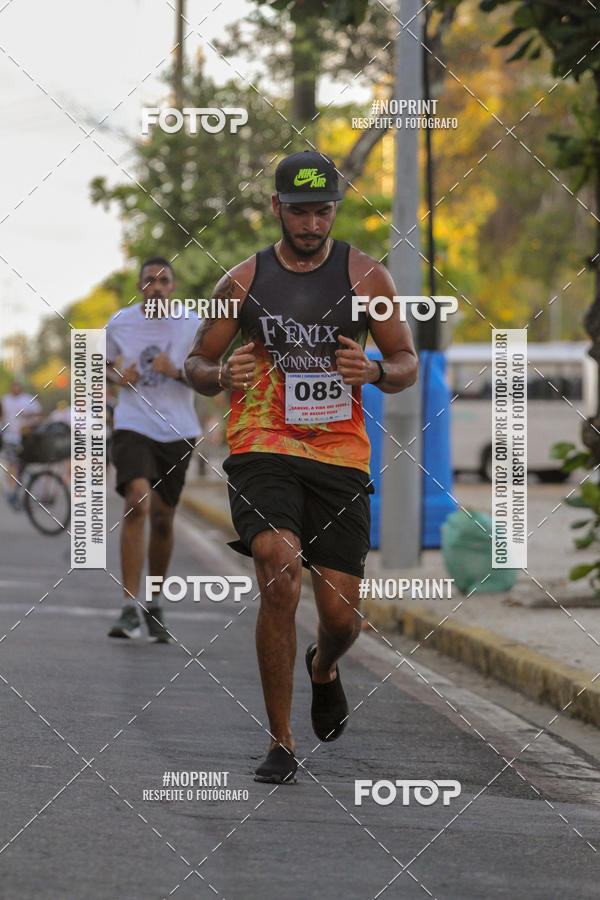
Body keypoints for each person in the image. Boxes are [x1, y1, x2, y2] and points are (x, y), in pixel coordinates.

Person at [184, 150, 418, 783]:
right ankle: (281, 742)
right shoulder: (241, 283)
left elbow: (406, 363)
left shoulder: (367, 278)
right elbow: (196, 363)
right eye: (299, 212)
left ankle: (324, 664)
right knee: (278, 563)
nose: (312, 224)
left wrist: (373, 370)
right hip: (263, 443)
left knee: (341, 618)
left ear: (335, 209)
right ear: (276, 208)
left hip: (339, 454)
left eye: (322, 212)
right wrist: (219, 373)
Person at [105, 257, 201, 643]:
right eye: (149, 280)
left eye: (163, 281)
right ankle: (129, 607)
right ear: (140, 286)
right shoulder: (120, 323)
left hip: (178, 430)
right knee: (138, 500)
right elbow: (97, 365)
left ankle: (155, 603)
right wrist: (117, 377)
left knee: (163, 518)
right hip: (133, 424)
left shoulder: (192, 323)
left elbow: (210, 375)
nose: (156, 287)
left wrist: (175, 371)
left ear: (172, 287)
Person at [1, 380, 42, 509]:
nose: (15, 389)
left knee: (21, 466)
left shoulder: (28, 399)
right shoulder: (5, 400)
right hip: (10, 438)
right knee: (12, 464)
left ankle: (17, 492)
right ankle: (13, 492)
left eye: (17, 386)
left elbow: (38, 414)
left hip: (25, 438)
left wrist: (27, 416)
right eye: (13, 386)